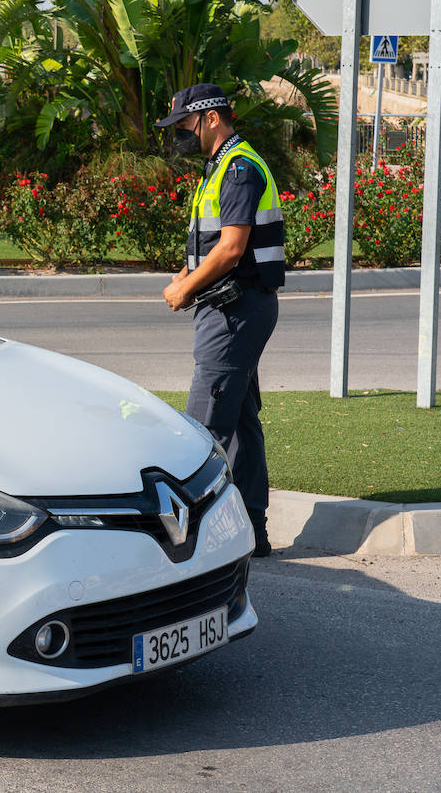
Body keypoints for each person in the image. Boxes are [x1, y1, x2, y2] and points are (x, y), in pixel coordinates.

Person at [155, 83, 284, 557]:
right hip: (239, 305)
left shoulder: (238, 168)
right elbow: (214, 243)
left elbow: (232, 248)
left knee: (203, 428)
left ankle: (190, 544)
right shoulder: (224, 165)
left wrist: (186, 288)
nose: (180, 136)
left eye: (184, 125)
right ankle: (254, 530)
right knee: (243, 419)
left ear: (211, 118)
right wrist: (185, 273)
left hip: (234, 309)